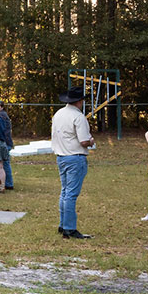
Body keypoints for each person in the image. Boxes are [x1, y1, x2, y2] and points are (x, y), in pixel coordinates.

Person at [51, 86, 96, 239]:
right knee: (71, 194)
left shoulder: (58, 114)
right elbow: (83, 141)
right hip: (75, 157)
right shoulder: (78, 117)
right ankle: (69, 228)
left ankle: (63, 224)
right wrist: (91, 141)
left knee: (64, 192)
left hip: (61, 156)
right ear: (79, 101)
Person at [0, 100, 15, 190]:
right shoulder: (1, 115)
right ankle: (5, 183)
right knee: (3, 164)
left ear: (1, 107)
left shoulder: (1, 115)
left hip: (5, 143)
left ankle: (8, 184)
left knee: (4, 164)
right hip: (5, 142)